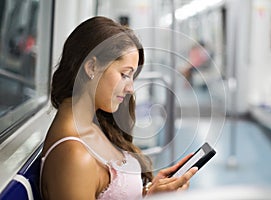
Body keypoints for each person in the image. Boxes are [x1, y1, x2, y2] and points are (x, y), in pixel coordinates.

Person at [40, 16, 198, 200]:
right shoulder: (74, 157)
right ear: (91, 67)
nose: (131, 88)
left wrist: (149, 192)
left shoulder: (91, 125)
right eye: (124, 74)